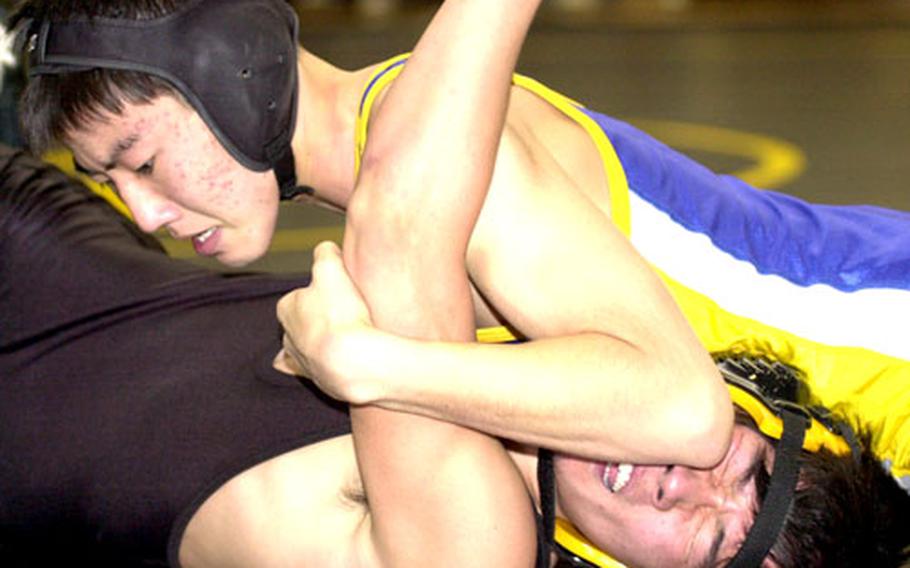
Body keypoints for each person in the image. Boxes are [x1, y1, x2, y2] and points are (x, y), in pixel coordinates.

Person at [2, 144, 908, 568]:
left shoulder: (478, 543)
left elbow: (409, 195)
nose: (684, 476)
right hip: (38, 231)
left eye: (712, 539)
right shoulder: (529, 352)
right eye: (734, 458)